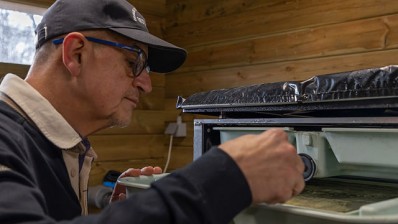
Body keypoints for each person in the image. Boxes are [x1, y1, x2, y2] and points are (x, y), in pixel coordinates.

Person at [0, 0, 305, 223]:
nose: (146, 84)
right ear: (76, 54)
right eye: (134, 63)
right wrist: (223, 179)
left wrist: (127, 213)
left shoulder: (54, 145)